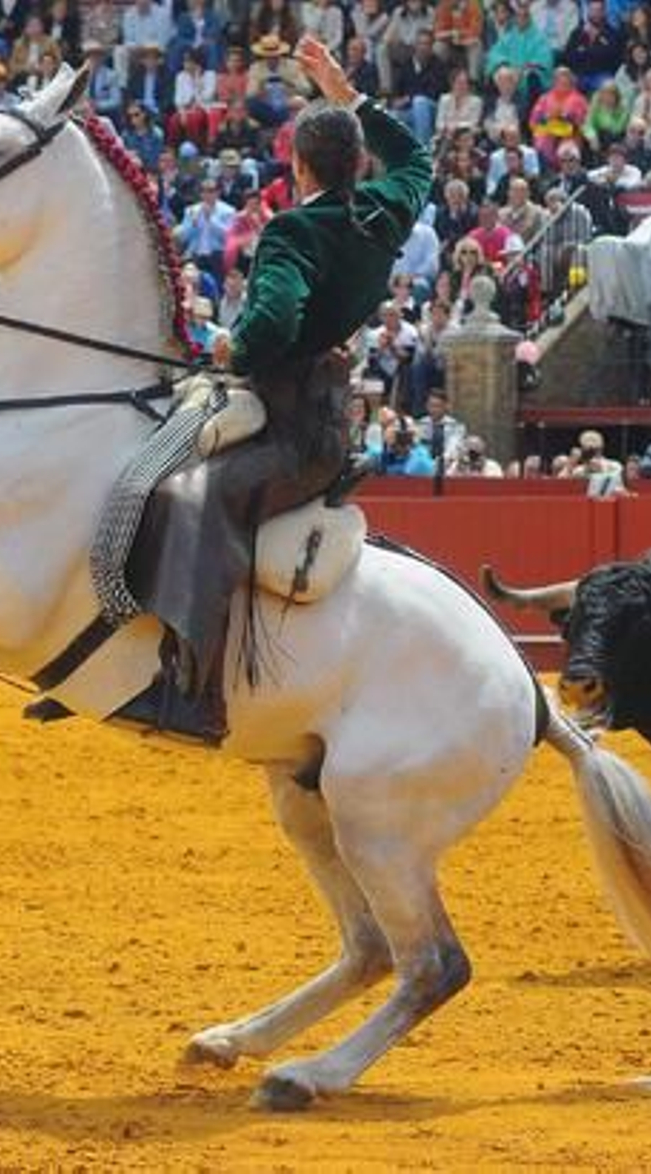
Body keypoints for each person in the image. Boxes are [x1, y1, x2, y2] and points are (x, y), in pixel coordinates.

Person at [123, 37, 433, 743]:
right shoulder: (383, 209)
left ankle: (195, 692)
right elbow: (416, 160)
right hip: (323, 414)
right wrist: (347, 95)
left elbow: (275, 320)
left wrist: (232, 347)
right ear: (358, 163)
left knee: (191, 499)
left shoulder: (293, 230)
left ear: (296, 166)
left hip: (287, 425)